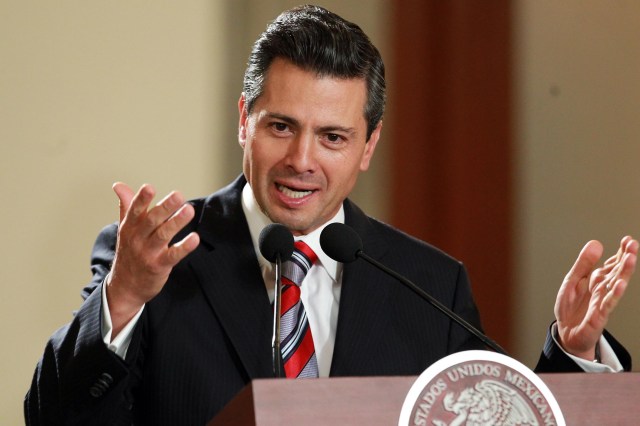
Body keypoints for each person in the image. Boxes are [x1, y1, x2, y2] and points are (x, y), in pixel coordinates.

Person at [25, 5, 636, 425]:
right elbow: (58, 416)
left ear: (369, 146)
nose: (301, 160)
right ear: (244, 120)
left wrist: (570, 354)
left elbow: (493, 412)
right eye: (281, 127)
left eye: (334, 138)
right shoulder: (156, 256)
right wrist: (124, 296)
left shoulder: (429, 284)